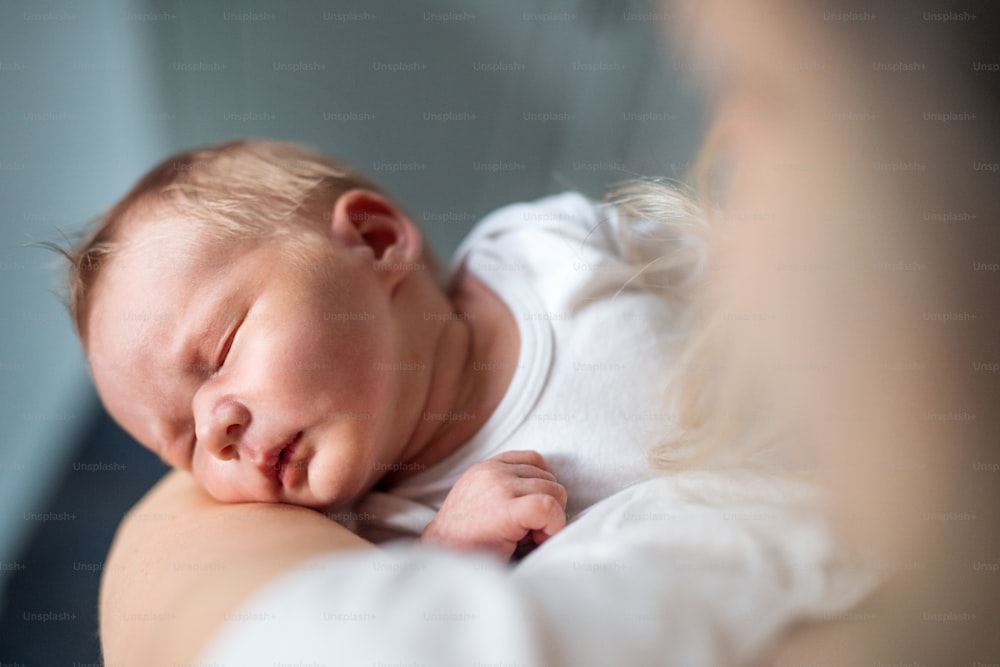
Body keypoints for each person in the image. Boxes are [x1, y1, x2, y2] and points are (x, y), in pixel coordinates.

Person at [65, 139, 698, 557]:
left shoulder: (544, 250)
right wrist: (453, 559)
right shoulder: (383, 534)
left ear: (374, 241)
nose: (216, 430)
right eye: (185, 445)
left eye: (222, 349)